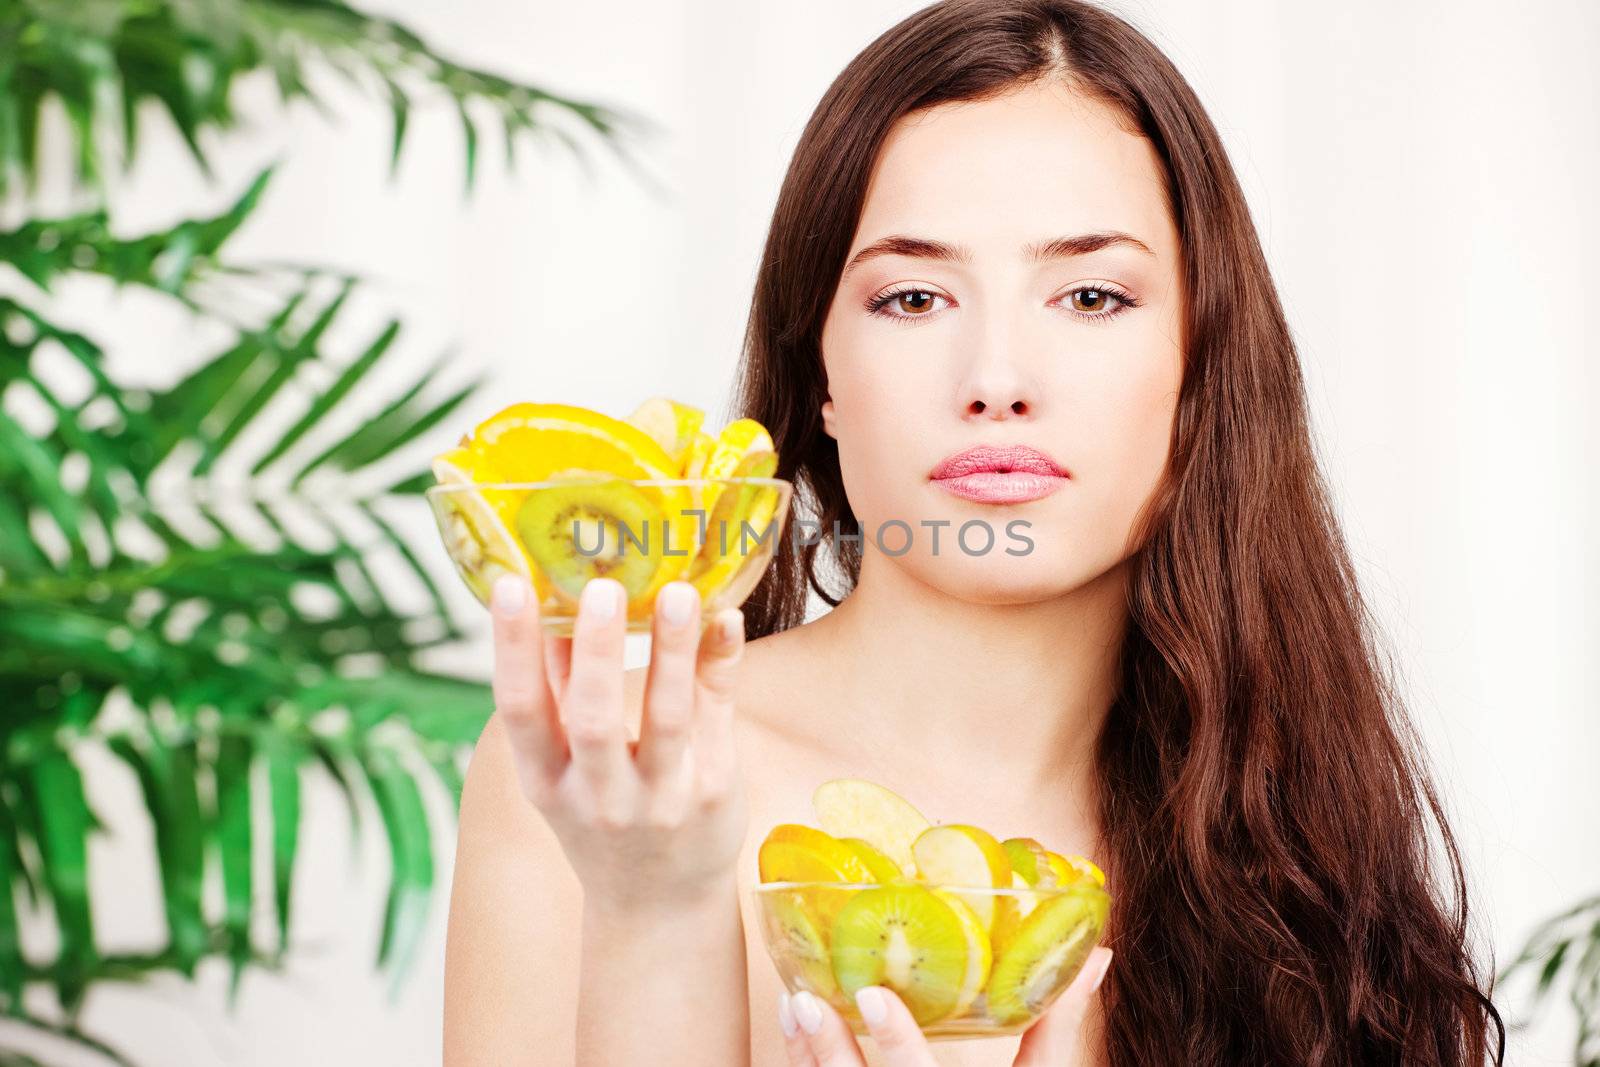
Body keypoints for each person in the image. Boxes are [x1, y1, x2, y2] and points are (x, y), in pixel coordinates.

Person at [442, 1, 1508, 1064]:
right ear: (820, 375)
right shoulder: (622, 781)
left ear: (1201, 365)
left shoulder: (1298, 837)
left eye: (1090, 295)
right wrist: (654, 912)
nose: (996, 380)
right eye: (911, 298)